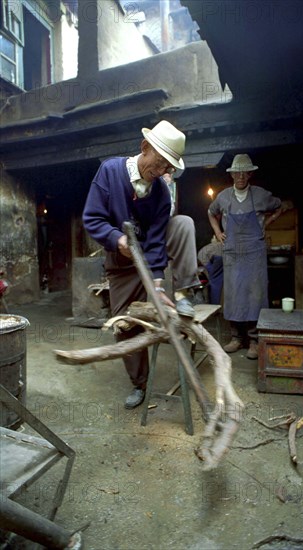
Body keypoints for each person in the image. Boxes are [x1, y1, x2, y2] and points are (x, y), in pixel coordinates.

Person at [83, 120, 200, 409]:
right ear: (144, 148)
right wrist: (116, 240)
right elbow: (93, 218)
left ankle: (186, 293)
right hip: (121, 263)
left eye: (167, 168)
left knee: (183, 224)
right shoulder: (110, 171)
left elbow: (159, 238)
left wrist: (158, 284)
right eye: (159, 164)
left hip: (147, 255)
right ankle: (139, 385)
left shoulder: (161, 191)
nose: (160, 172)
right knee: (125, 326)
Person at [208, 153, 282, 359]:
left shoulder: (261, 195)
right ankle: (236, 338)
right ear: (232, 175)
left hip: (254, 253)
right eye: (236, 173)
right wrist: (217, 231)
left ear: (250, 174)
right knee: (233, 296)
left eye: (244, 173)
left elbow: (279, 206)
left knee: (255, 296)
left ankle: (254, 340)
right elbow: (210, 212)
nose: (240, 176)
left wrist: (265, 225)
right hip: (232, 253)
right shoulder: (222, 197)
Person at [197, 236, 223, 304]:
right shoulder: (204, 250)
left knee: (214, 281)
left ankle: (214, 305)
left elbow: (211, 270)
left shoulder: (200, 256)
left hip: (218, 255)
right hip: (225, 251)